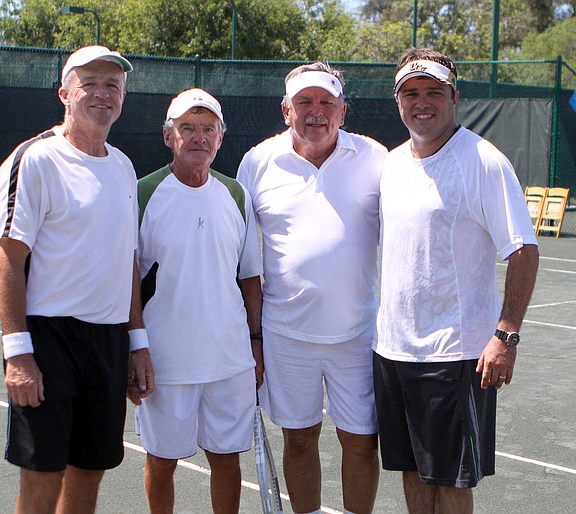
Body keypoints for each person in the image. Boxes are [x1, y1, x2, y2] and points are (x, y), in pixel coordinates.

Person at [374, 47, 540, 513]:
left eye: (433, 92)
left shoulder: (483, 161)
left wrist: (505, 336)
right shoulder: (390, 164)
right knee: (412, 470)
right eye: (411, 93)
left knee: (450, 480)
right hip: (392, 350)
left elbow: (523, 249)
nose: (421, 102)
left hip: (455, 354)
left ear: (454, 97)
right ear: (398, 100)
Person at [0, 45, 154, 514]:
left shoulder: (123, 167)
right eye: (91, 83)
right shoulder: (36, 160)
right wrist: (18, 355)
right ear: (65, 93)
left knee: (89, 469)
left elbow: (126, 258)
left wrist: (136, 342)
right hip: (47, 340)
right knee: (43, 475)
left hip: (106, 342)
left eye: (113, 85)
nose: (103, 94)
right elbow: (8, 257)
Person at [237, 63, 387, 514]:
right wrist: (254, 337)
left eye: (326, 102)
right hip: (286, 337)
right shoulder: (257, 162)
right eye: (305, 102)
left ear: (343, 110)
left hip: (359, 335)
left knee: (361, 443)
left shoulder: (377, 158)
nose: (316, 112)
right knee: (299, 440)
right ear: (287, 110)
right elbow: (244, 261)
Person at [134, 88, 263, 514]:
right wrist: (133, 349)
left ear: (220, 138)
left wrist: (255, 344)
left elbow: (249, 278)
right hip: (165, 362)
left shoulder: (236, 195)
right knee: (162, 459)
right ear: (169, 135)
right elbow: (126, 280)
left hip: (229, 361)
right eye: (187, 128)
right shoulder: (142, 193)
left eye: (208, 129)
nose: (198, 137)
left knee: (226, 458)